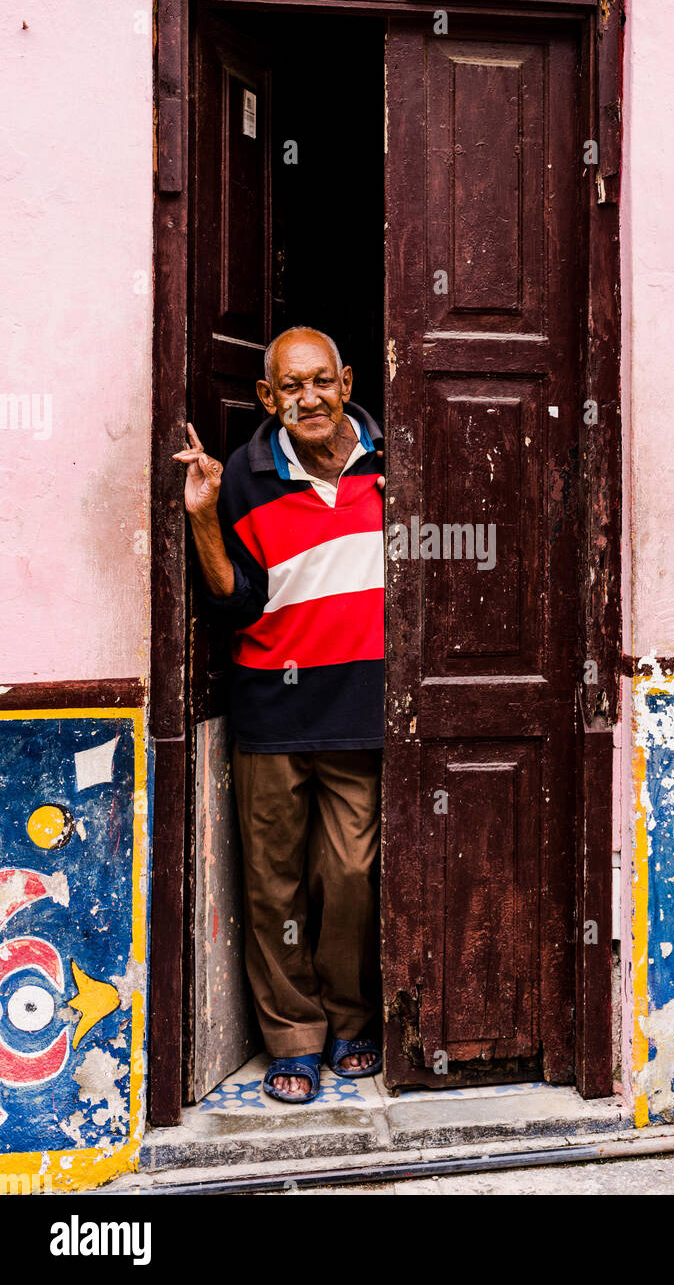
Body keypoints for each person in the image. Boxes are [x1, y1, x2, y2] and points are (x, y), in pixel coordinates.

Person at [174, 326, 385, 1103]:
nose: (309, 398)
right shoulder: (244, 474)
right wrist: (203, 512)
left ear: (346, 381)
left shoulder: (395, 463)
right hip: (271, 704)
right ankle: (293, 1038)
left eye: (321, 381)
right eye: (290, 387)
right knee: (273, 884)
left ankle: (351, 1018)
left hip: (360, 706)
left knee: (352, 875)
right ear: (268, 397)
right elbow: (233, 601)